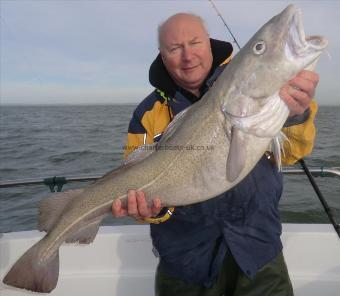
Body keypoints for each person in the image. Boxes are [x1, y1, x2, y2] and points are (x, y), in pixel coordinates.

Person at [112, 13, 319, 296]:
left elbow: (293, 152)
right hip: (186, 264)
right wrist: (151, 211)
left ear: (209, 44)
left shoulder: (248, 83)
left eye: (195, 42)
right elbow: (137, 179)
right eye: (175, 49)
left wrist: (296, 115)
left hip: (258, 252)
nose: (188, 56)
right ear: (162, 55)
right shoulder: (148, 114)